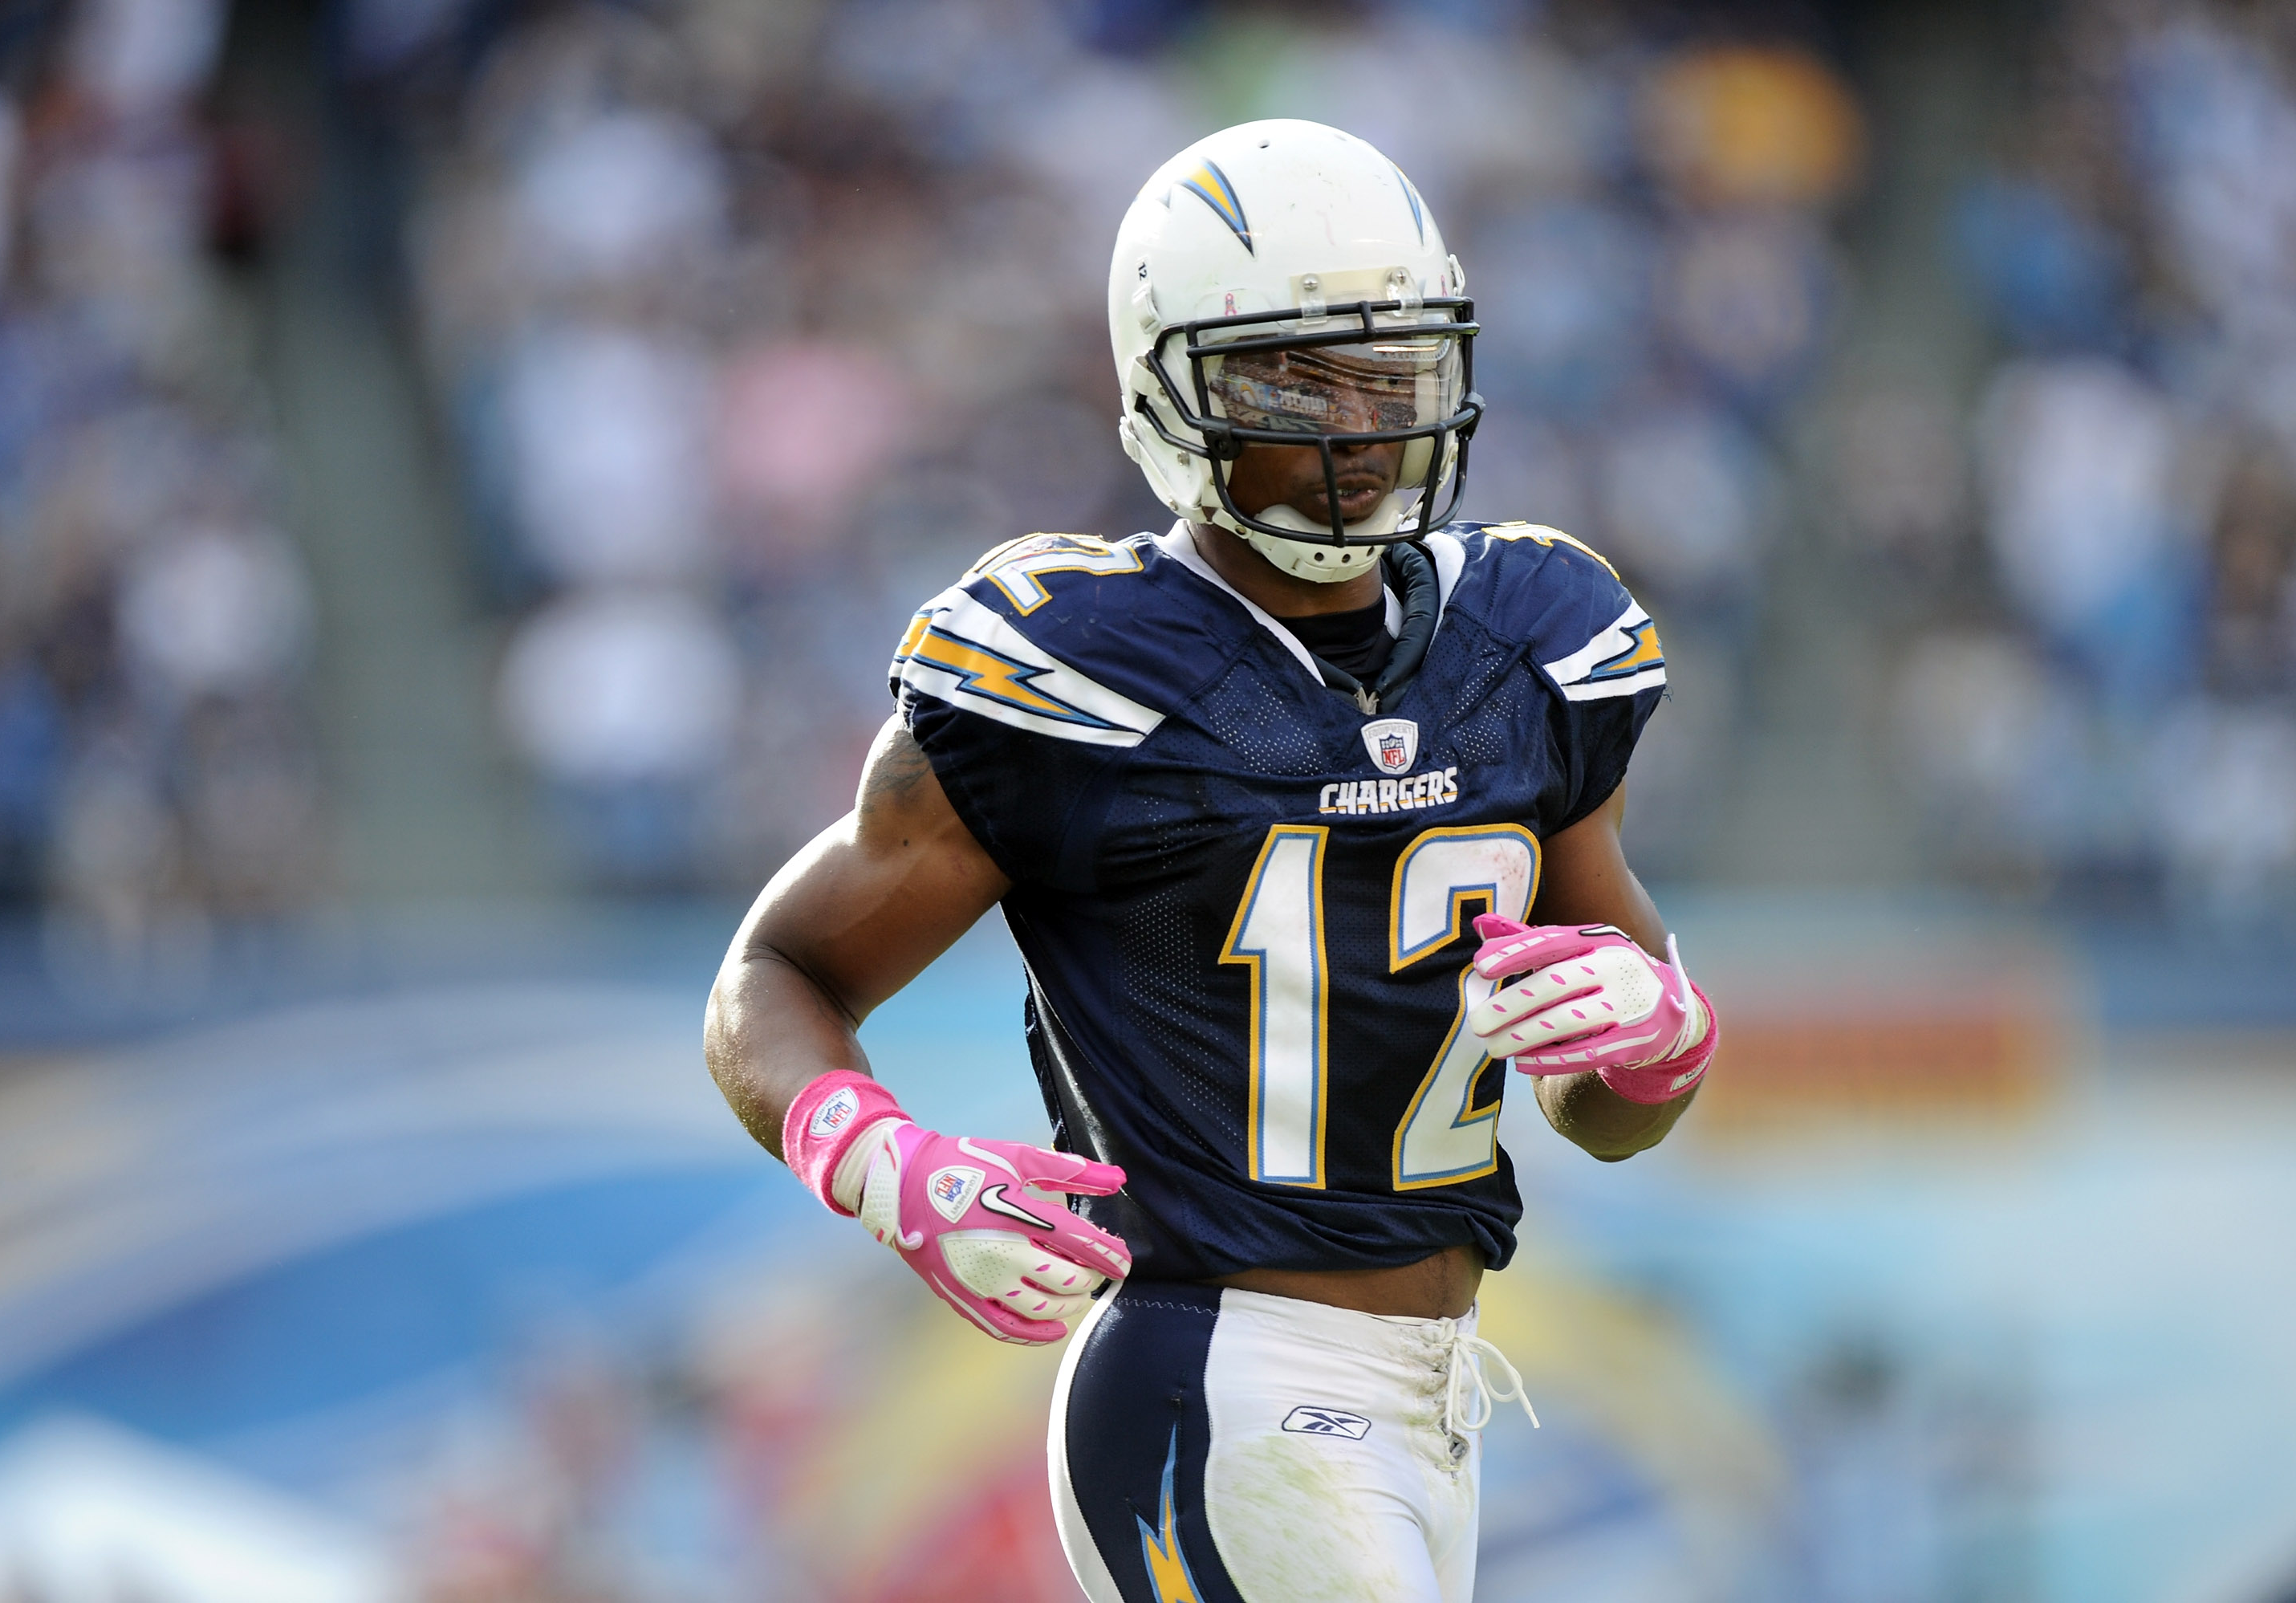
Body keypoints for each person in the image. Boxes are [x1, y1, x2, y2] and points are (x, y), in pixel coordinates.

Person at [704, 120, 1716, 1603]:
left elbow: (1601, 1106)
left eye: (1387, 374)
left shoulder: (1531, 642)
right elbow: (776, 973)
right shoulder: (1078, 667)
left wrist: (1663, 1040)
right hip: (1217, 1372)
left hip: (1437, 1391)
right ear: (1167, 392)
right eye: (1292, 379)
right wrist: (885, 1164)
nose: (1355, 428)